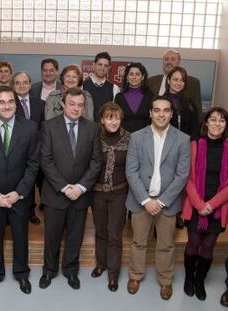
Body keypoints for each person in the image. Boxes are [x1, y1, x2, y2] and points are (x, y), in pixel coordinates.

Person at [0, 86, 40, 295]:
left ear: (16, 104)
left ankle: (22, 274)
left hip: (20, 195)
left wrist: (19, 192)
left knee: (21, 236)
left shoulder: (30, 128)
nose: (6, 106)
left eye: (10, 101)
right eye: (1, 102)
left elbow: (33, 164)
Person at [125, 96, 190, 300]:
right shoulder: (136, 137)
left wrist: (161, 202)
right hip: (140, 201)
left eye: (166, 110)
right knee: (138, 242)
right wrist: (146, 200)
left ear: (171, 114)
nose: (161, 114)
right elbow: (131, 171)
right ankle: (135, 275)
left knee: (166, 245)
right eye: (157, 110)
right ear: (151, 112)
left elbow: (182, 175)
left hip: (167, 204)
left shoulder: (182, 139)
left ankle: (165, 280)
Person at [39, 88, 102, 290]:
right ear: (63, 105)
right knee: (52, 237)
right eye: (72, 104)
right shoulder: (48, 126)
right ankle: (49, 271)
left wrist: (81, 187)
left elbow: (96, 161)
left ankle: (71, 271)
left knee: (75, 237)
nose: (76, 108)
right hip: (55, 194)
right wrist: (65, 187)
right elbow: (46, 161)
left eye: (80, 105)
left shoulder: (92, 128)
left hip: (80, 196)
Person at [182, 107, 228, 301]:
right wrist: (200, 205)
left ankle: (200, 280)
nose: (217, 124)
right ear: (206, 122)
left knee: (208, 246)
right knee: (193, 244)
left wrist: (212, 204)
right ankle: (188, 280)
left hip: (218, 207)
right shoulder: (193, 145)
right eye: (213, 119)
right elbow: (187, 178)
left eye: (222, 120)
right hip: (195, 204)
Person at [91, 102, 130, 292]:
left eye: (116, 117)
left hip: (119, 193)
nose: (113, 121)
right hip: (97, 192)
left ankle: (113, 273)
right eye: (109, 117)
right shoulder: (94, 138)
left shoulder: (130, 139)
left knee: (114, 233)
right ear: (102, 120)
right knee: (100, 231)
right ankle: (101, 264)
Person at [12, 71, 45, 224]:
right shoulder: (10, 104)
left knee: (32, 182)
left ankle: (31, 211)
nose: (21, 85)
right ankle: (16, 211)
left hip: (36, 150)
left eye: (24, 82)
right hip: (16, 151)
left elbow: (43, 128)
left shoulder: (40, 103)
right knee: (18, 182)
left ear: (30, 85)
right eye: (17, 83)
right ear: (13, 86)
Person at [147, 49, 202, 118]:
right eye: (166, 59)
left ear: (179, 62)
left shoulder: (193, 83)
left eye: (173, 59)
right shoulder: (151, 81)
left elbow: (198, 111)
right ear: (163, 62)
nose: (169, 62)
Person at [114, 62, 153, 133]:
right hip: (124, 138)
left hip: (145, 138)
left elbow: (152, 120)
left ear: (143, 77)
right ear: (127, 77)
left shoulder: (150, 96)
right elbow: (116, 120)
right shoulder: (119, 97)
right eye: (131, 74)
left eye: (137, 74)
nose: (134, 77)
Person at [83, 52, 120, 121]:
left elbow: (115, 113)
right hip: (86, 129)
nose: (102, 68)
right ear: (94, 65)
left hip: (106, 129)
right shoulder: (82, 86)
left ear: (109, 68)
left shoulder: (114, 88)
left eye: (106, 66)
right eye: (100, 64)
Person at [165, 66, 200, 141]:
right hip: (165, 144)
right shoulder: (160, 101)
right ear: (168, 80)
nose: (179, 83)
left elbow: (195, 128)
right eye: (175, 79)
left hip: (185, 145)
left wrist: (193, 144)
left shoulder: (190, 102)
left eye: (182, 80)